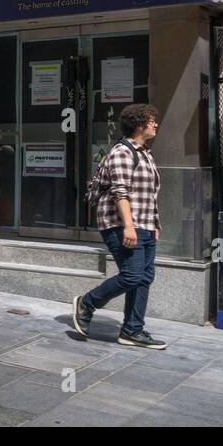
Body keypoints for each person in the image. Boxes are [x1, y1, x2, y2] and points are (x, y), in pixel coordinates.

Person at [73, 103, 167, 350]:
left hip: (143, 224)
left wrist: (153, 224)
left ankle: (132, 330)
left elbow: (148, 195)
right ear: (138, 125)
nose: (155, 124)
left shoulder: (145, 152)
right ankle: (86, 303)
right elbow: (120, 192)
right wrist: (129, 226)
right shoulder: (122, 153)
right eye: (151, 120)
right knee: (132, 275)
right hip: (120, 223)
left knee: (145, 277)